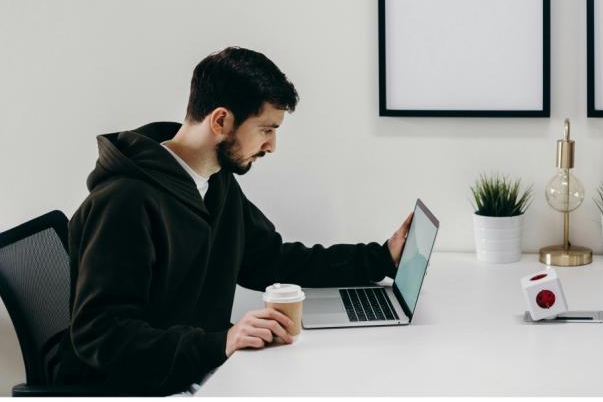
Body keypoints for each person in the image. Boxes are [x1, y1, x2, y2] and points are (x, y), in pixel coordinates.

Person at [52, 46, 413, 395]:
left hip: (195, 370)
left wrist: (381, 258)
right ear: (221, 121)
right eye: (266, 129)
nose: (271, 146)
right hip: (136, 387)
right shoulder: (124, 202)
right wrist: (220, 343)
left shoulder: (215, 182)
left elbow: (270, 260)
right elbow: (101, 334)